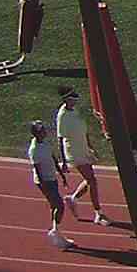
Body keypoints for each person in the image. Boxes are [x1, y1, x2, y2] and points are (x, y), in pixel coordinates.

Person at [53, 89, 106, 225]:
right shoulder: (62, 116)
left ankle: (73, 198)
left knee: (89, 180)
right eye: (72, 99)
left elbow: (84, 130)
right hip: (74, 152)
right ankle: (98, 213)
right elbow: (60, 138)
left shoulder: (74, 110)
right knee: (92, 181)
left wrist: (90, 147)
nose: (75, 102)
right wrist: (63, 161)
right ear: (66, 100)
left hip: (83, 148)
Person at [28, 121, 74, 252]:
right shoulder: (34, 150)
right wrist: (45, 186)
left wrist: (61, 174)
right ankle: (55, 231)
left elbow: (53, 158)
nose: (45, 132)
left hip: (52, 178)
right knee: (60, 205)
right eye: (42, 131)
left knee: (55, 206)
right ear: (37, 134)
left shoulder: (45, 143)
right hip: (45, 181)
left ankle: (55, 231)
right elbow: (37, 170)